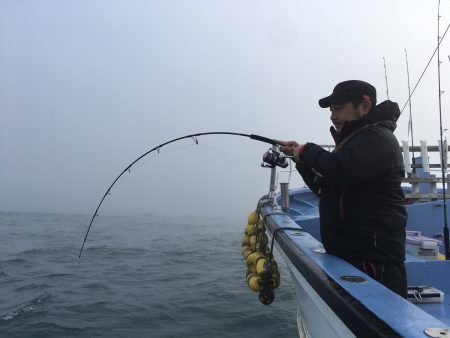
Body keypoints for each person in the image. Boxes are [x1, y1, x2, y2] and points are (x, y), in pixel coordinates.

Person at [279, 80, 407, 298]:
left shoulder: (377, 138)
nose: (332, 115)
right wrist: (300, 160)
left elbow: (337, 170)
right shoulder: (354, 141)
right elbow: (326, 187)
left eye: (338, 108)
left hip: (373, 263)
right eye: (331, 110)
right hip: (351, 255)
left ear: (364, 107)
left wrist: (307, 150)